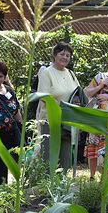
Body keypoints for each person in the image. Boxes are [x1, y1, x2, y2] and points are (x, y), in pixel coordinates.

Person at [36, 42, 80, 170]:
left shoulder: (71, 74)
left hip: (67, 121)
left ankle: (61, 188)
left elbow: (77, 93)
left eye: (68, 55)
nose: (65, 57)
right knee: (48, 159)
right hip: (51, 121)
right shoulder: (47, 73)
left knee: (65, 161)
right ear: (55, 55)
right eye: (62, 54)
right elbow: (43, 98)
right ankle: (43, 187)